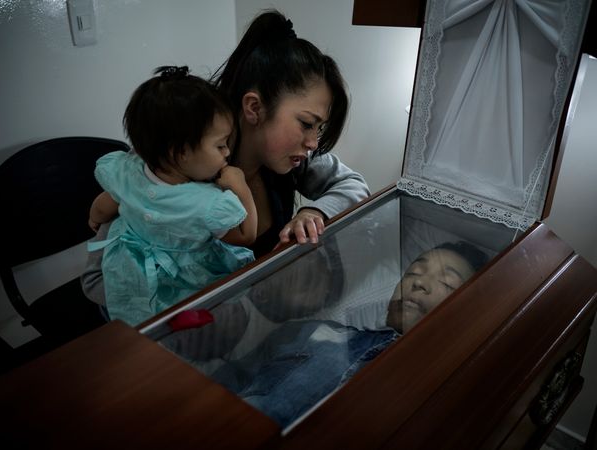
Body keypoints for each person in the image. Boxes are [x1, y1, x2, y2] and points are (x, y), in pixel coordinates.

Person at [81, 9, 369, 309]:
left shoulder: (294, 157)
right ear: (254, 108)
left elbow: (354, 185)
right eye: (307, 123)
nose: (313, 143)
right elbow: (95, 279)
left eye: (319, 129)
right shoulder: (171, 165)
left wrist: (314, 212)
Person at [161, 241, 488, 428]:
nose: (419, 282)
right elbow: (225, 384)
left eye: (446, 283)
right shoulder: (312, 331)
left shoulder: (443, 399)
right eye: (414, 271)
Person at [88, 66, 257, 326]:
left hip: (129, 273)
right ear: (181, 153)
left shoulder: (131, 169)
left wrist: (95, 219)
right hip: (183, 283)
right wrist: (241, 186)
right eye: (220, 144)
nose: (227, 153)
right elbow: (246, 235)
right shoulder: (206, 203)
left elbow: (104, 205)